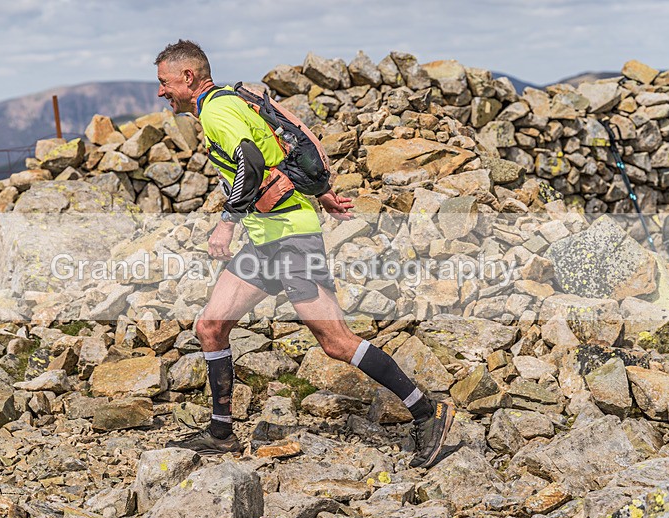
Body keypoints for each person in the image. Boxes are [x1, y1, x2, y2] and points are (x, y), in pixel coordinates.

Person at [155, 40, 455, 468]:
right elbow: (280, 150)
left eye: (164, 83)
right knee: (210, 326)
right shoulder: (227, 104)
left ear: (188, 78)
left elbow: (253, 162)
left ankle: (428, 413)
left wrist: (226, 221)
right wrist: (321, 193)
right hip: (265, 240)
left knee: (336, 342)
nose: (161, 92)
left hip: (291, 238)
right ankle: (221, 433)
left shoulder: (217, 110)